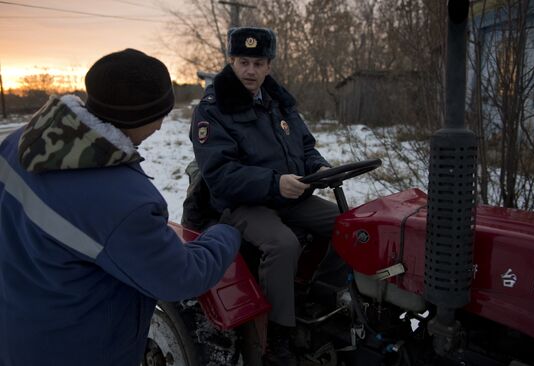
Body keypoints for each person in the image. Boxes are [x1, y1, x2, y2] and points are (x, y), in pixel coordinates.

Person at [0, 49, 241, 366]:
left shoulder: (20, 143)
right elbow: (180, 276)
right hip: (79, 349)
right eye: (161, 115)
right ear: (141, 117)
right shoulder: (125, 202)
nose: (160, 127)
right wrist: (225, 233)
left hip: (18, 331)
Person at [189, 27, 345, 365]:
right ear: (231, 61)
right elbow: (219, 174)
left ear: (268, 66)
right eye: (243, 62)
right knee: (282, 244)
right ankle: (278, 338)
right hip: (240, 203)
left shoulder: (279, 102)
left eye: (258, 63)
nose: (250, 70)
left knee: (348, 225)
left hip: (289, 194)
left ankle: (322, 296)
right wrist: (274, 183)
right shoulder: (213, 110)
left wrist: (318, 168)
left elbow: (305, 146)